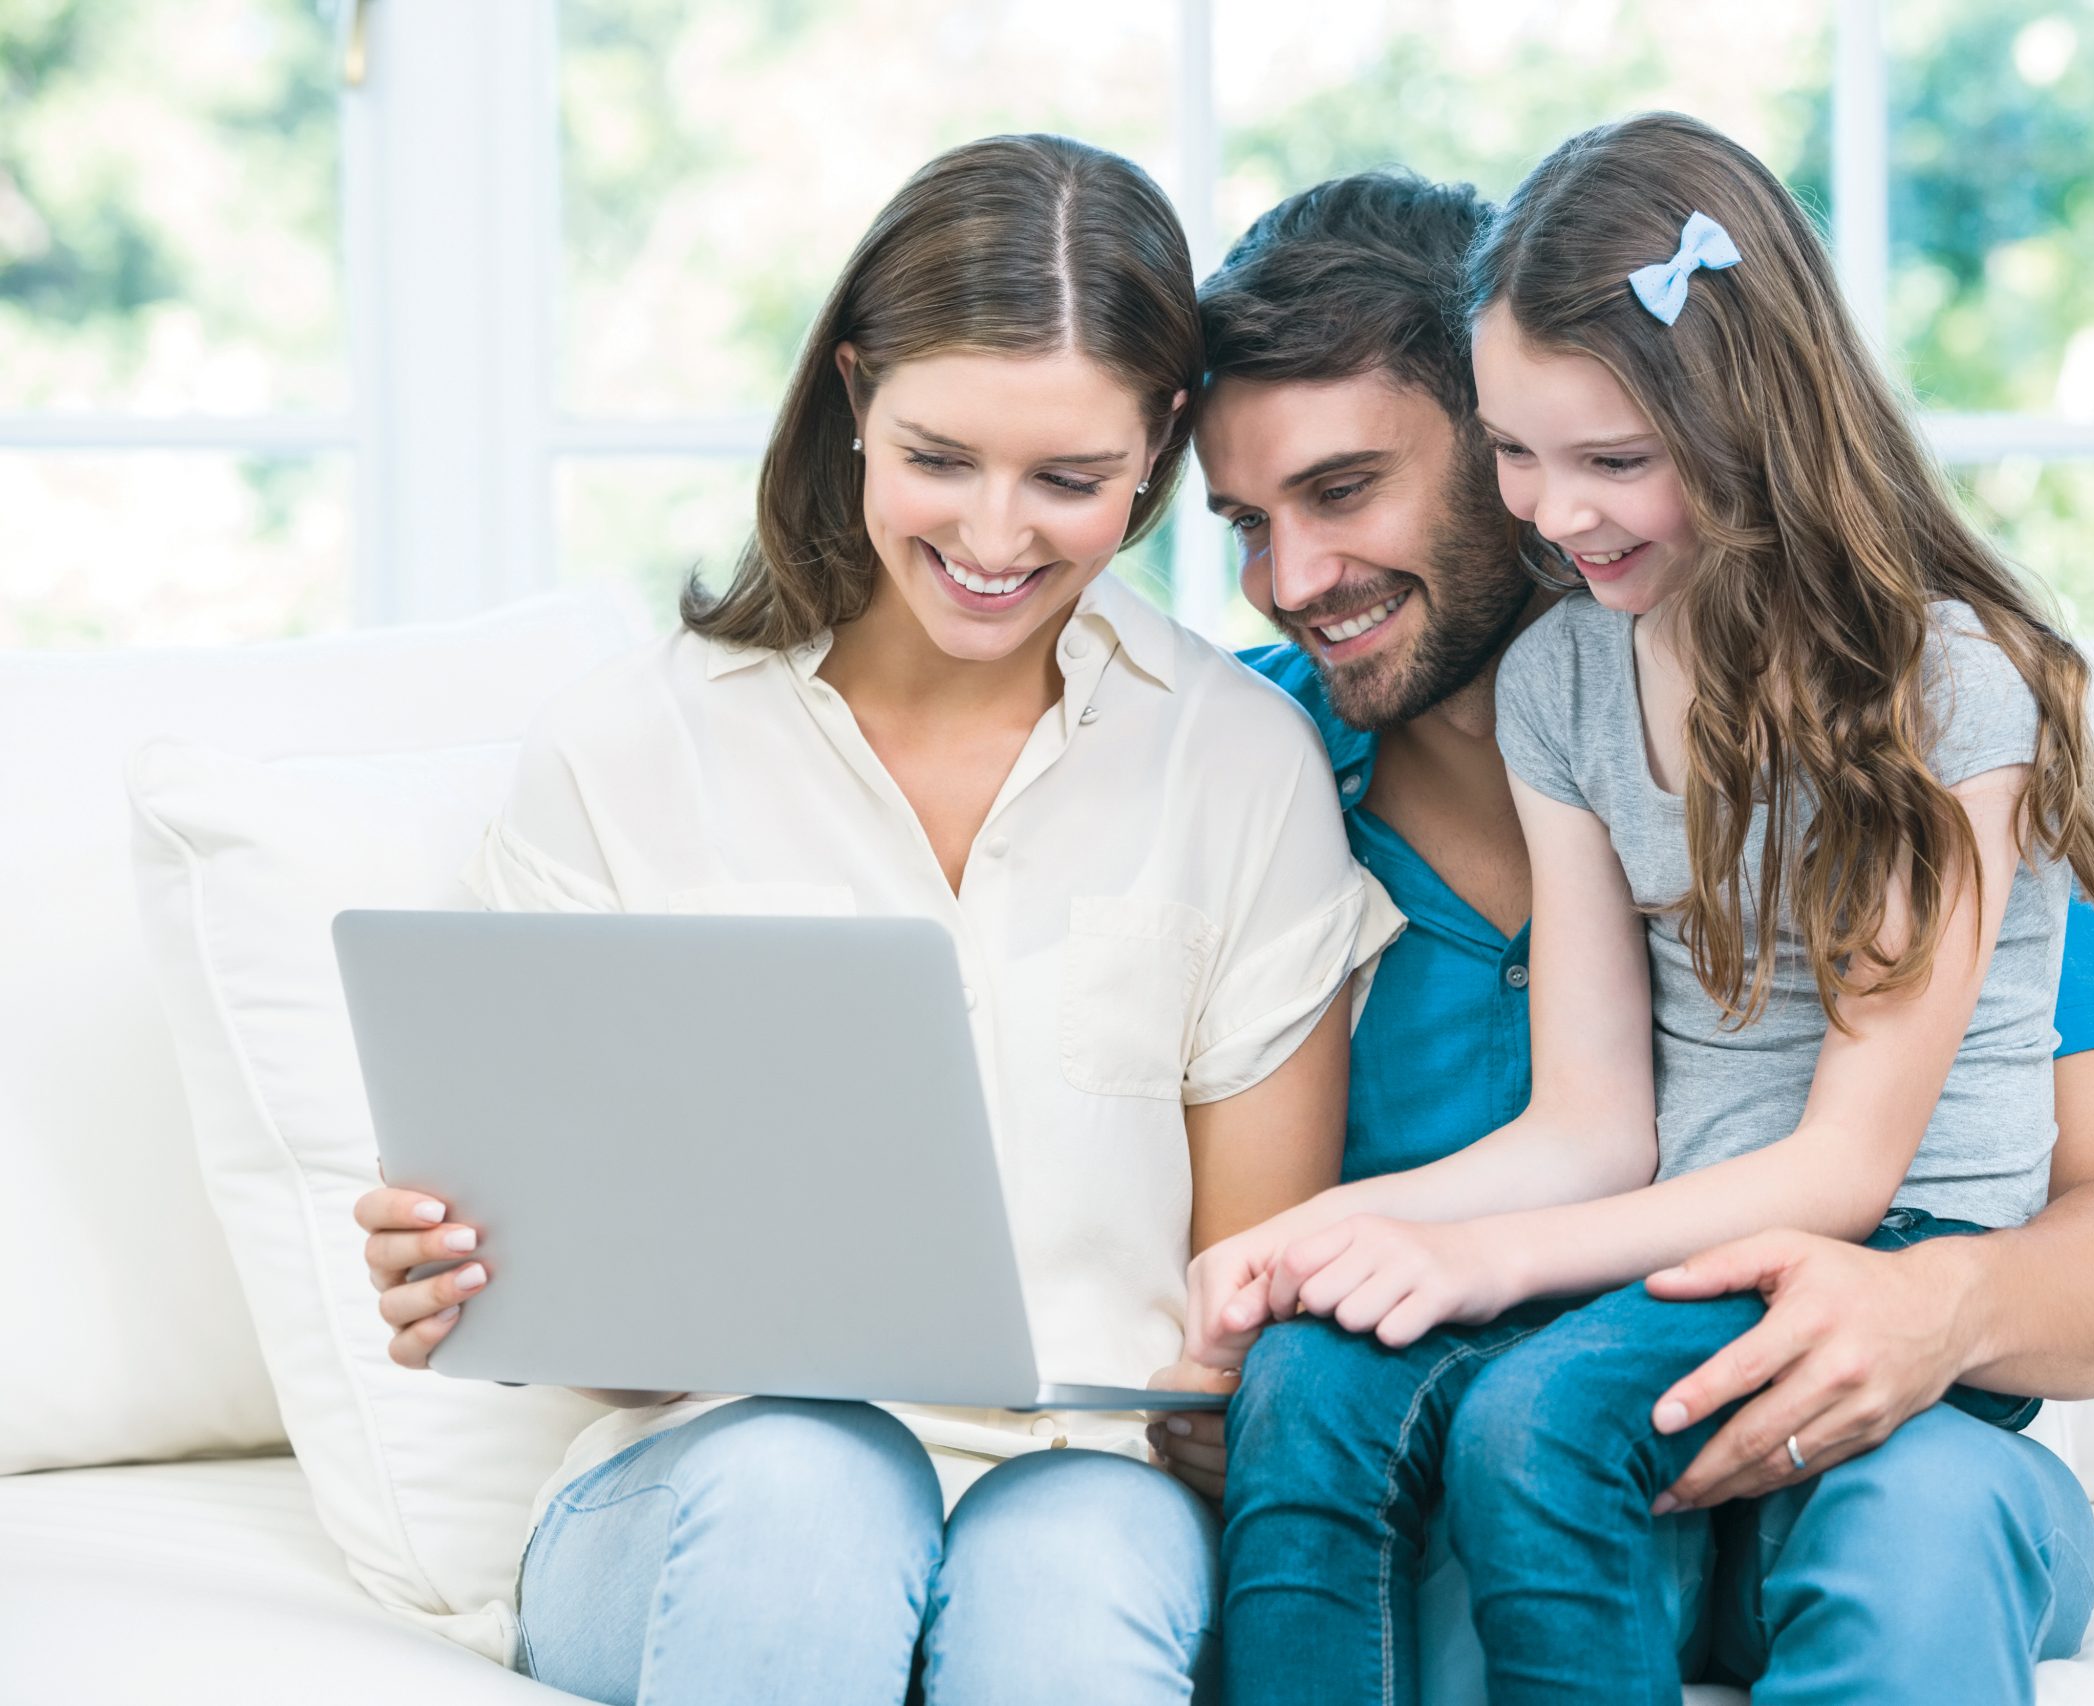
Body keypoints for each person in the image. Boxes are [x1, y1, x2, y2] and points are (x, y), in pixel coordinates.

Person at [1175, 131, 2094, 1706]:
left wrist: (1936, 1304)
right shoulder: (1253, 776)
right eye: (1242, 522)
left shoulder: (1909, 718)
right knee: (1458, 1496)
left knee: (1914, 1523)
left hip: (1888, 1415)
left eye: (1343, 490)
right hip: (1557, 1423)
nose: (1289, 575)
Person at [351, 133, 1397, 1706]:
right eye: (941, 457)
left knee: (1070, 1563)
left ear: (1163, 446)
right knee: (809, 1482)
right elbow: (603, 1322)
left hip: (1092, 1485)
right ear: (852, 396)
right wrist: (482, 1272)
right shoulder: (630, 750)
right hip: (709, 1483)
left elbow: (1237, 1297)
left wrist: (1215, 1394)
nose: (993, 539)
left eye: (1069, 480)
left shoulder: (1237, 763)